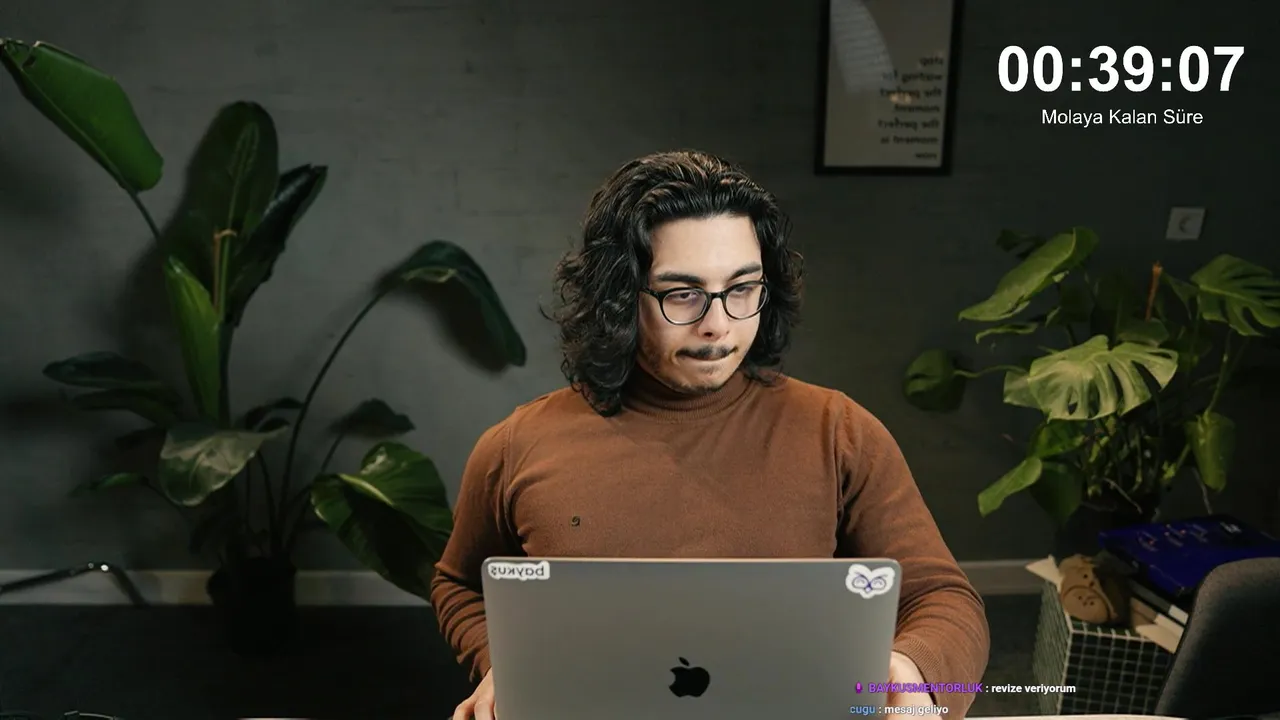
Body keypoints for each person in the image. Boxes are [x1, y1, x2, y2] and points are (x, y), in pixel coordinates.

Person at [431, 149, 990, 720]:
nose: (718, 325)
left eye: (742, 288)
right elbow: (459, 585)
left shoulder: (840, 432)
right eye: (683, 294)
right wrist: (508, 666)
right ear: (619, 296)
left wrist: (912, 672)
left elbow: (941, 598)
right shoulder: (516, 445)